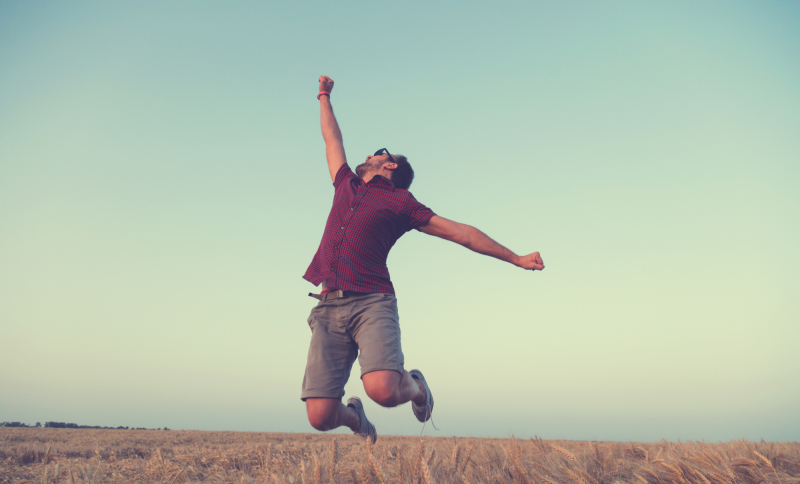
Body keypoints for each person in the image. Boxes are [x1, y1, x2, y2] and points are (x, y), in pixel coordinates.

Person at [302, 75, 545, 442]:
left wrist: (515, 258)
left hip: (371, 302)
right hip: (327, 307)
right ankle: (356, 420)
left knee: (383, 390)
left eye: (379, 151)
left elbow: (461, 233)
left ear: (391, 166)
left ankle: (417, 386)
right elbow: (331, 139)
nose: (370, 154)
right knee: (319, 416)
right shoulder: (345, 183)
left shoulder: (402, 203)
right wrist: (324, 96)